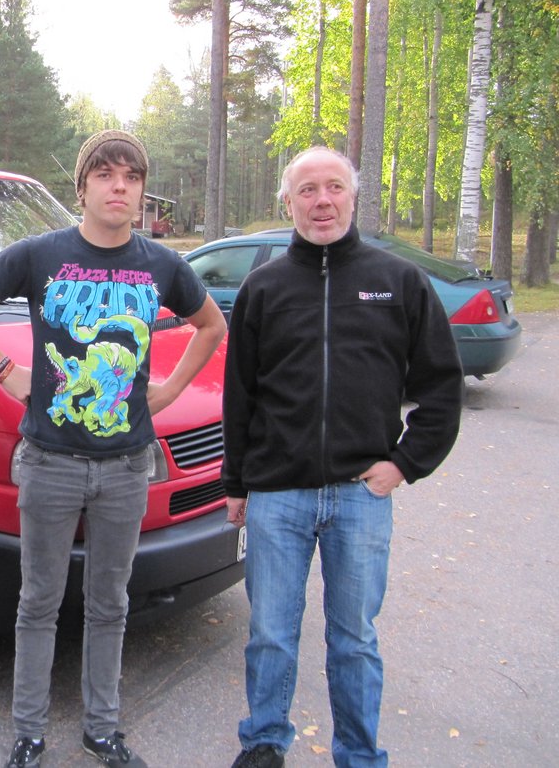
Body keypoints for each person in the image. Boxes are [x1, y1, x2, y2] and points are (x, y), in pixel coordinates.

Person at [0, 129, 227, 768]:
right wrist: (2, 370)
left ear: (142, 192)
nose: (118, 186)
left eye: (131, 176)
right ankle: (28, 733)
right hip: (49, 462)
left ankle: (102, 730)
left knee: (110, 605)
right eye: (105, 175)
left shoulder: (162, 265)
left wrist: (169, 389)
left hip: (127, 467)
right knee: (37, 603)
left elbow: (210, 325)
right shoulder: (40, 254)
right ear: (83, 188)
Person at [222, 146, 463, 768]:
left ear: (354, 197)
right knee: (270, 634)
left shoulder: (399, 282)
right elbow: (240, 394)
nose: (321, 201)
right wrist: (236, 483)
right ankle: (264, 743)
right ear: (288, 202)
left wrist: (406, 463)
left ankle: (358, 754)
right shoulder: (263, 288)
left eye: (334, 187)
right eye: (307, 190)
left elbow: (441, 385)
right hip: (278, 495)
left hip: (361, 495)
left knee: (354, 639)